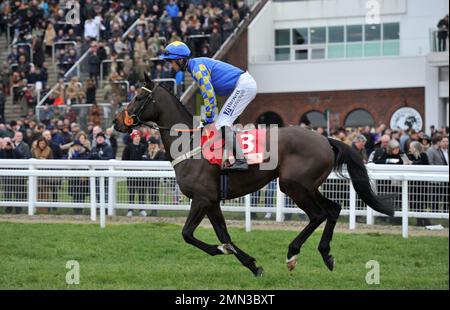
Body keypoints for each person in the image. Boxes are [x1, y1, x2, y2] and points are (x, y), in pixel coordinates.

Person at [160, 41, 257, 171]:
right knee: (221, 124)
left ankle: (240, 160)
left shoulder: (197, 68)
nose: (171, 65)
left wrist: (208, 119)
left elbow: (209, 94)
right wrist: (208, 119)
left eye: (172, 61)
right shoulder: (195, 66)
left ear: (181, 60)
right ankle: (230, 157)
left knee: (222, 123)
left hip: (244, 85)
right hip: (243, 85)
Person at [122, 130, 148, 218]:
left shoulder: (143, 147)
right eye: (136, 136)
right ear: (133, 137)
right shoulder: (128, 147)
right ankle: (130, 209)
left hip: (141, 174)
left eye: (138, 136)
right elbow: (124, 160)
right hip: (131, 173)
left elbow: (145, 158)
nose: (137, 138)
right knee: (131, 192)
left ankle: (142, 209)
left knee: (141, 192)